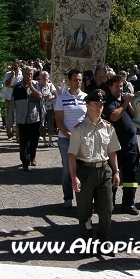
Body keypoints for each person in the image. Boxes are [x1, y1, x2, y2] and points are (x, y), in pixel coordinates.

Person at [68, 90, 121, 252]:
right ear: (88, 106)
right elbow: (72, 156)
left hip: (104, 171)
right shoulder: (79, 129)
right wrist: (74, 177)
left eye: (101, 104)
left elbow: (112, 151)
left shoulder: (108, 128)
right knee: (84, 211)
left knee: (107, 210)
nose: (99, 108)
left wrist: (116, 171)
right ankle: (86, 241)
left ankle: (104, 240)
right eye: (95, 104)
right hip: (85, 171)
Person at [104, 75, 140, 215]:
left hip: (132, 145)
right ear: (110, 87)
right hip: (116, 146)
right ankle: (109, 203)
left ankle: (128, 203)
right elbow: (114, 116)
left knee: (131, 176)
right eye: (117, 87)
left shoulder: (124, 100)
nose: (120, 89)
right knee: (114, 174)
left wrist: (128, 102)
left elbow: (136, 115)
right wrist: (124, 104)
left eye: (121, 86)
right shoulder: (109, 101)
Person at [55, 68, 87, 208]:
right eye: (75, 80)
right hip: (65, 139)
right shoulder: (61, 98)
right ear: (69, 81)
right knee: (68, 169)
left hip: (82, 139)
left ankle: (82, 196)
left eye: (80, 80)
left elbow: (87, 118)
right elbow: (59, 121)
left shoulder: (85, 97)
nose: (78, 82)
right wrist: (69, 135)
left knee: (83, 167)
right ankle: (68, 197)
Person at [8, 66, 43, 170]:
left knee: (34, 140)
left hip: (35, 118)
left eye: (31, 74)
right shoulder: (18, 87)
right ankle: (25, 162)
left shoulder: (36, 85)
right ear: (23, 74)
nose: (29, 76)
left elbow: (40, 97)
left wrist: (31, 87)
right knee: (24, 141)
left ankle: (32, 157)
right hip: (22, 119)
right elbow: (13, 104)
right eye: (27, 74)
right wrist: (10, 123)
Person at [1, 61, 22, 141]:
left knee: (19, 117)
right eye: (13, 67)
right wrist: (12, 76)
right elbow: (7, 84)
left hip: (19, 97)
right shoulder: (8, 74)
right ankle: (10, 134)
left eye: (15, 67)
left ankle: (18, 135)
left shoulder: (21, 74)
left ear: (19, 66)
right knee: (9, 116)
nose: (14, 68)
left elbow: (22, 85)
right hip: (9, 97)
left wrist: (13, 86)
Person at [39, 71, 57, 147]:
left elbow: (55, 94)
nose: (45, 78)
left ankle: (50, 140)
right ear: (41, 78)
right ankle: (44, 140)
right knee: (42, 124)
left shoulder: (50, 85)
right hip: (42, 108)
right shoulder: (38, 86)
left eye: (46, 77)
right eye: (43, 77)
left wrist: (51, 97)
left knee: (50, 124)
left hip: (50, 108)